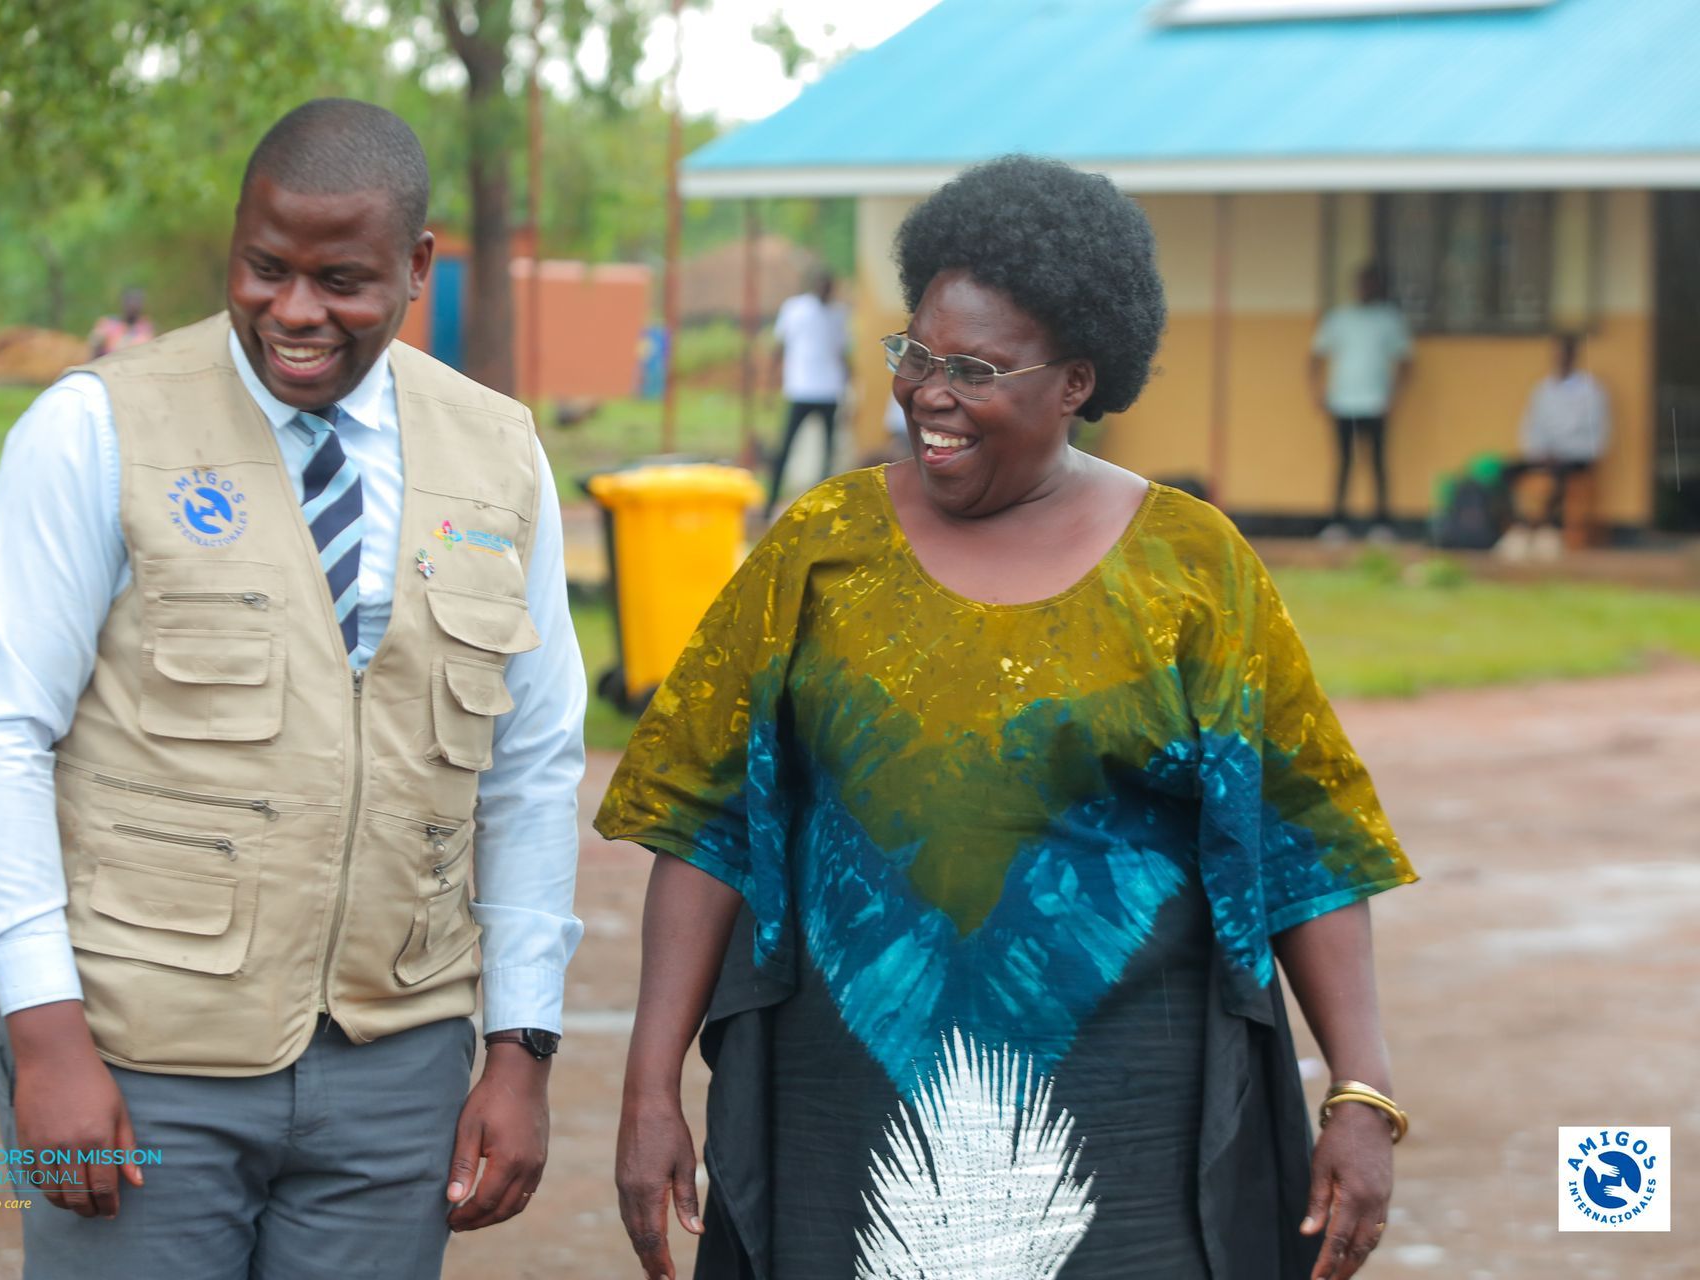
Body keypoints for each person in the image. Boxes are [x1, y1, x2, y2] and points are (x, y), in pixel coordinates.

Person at [598, 156, 1417, 1280]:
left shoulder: (1191, 567)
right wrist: (649, 1090)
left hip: (1128, 1149)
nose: (929, 391)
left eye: (974, 367)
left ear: (1076, 379)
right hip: (842, 1139)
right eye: (916, 353)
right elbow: (704, 823)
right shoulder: (817, 549)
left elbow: (1306, 840)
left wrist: (1362, 1090)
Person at [0, 99, 587, 1279]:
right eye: (264, 267)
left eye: (341, 279)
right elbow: (0, 736)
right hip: (140, 1054)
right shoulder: (96, 428)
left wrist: (521, 1045)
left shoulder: (500, 455)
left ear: (417, 268)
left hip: (396, 1068)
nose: (293, 311)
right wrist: (46, 1034)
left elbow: (534, 764)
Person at [1310, 265, 1413, 541]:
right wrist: (1317, 392)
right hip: (1342, 401)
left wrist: (1396, 396)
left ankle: (1381, 521)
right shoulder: (1340, 318)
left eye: (1372, 283)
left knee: (1377, 461)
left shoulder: (1388, 320)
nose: (1366, 289)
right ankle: (1338, 521)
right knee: (1344, 461)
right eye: (1363, 284)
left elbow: (1405, 362)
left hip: (1376, 402)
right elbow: (1316, 356)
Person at [1496, 334, 1608, 560]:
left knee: (1558, 476)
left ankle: (1549, 529)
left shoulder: (1590, 391)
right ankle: (1519, 527)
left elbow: (1599, 436)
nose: (1561, 360)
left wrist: (1567, 452)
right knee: (1507, 470)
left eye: (1565, 355)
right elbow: (1531, 427)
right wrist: (1539, 453)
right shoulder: (1544, 390)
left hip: (1576, 456)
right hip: (1544, 454)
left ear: (1574, 357)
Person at [765, 270, 851, 510]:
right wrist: (770, 388)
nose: (825, 290)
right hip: (800, 389)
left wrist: (849, 389)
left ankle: (822, 504)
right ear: (814, 286)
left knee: (828, 453)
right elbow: (778, 349)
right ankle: (770, 503)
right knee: (786, 447)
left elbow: (844, 354)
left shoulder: (838, 314)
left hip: (829, 391)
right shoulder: (795, 309)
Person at [87, 288, 156, 357]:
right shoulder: (108, 323)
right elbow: (94, 344)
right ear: (122, 302)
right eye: (130, 300)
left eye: (137, 301)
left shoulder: (145, 327)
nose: (133, 305)